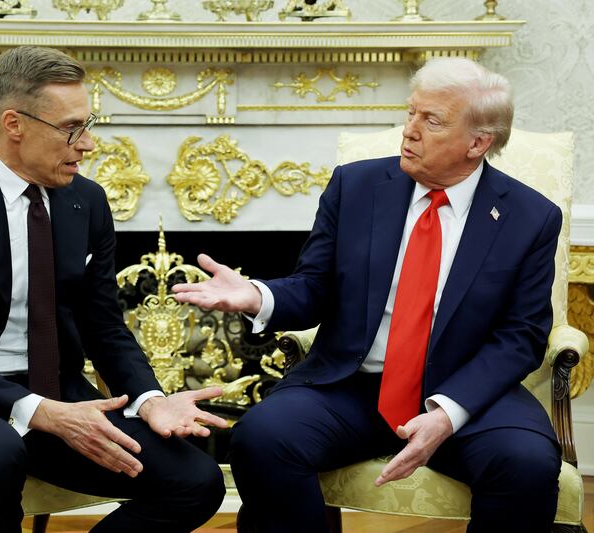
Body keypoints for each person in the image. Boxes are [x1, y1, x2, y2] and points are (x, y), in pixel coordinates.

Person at [173, 57, 562, 533]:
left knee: (527, 465)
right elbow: (315, 289)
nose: (409, 130)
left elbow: (521, 336)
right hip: (353, 384)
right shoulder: (355, 186)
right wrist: (257, 296)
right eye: (411, 112)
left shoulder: (529, 216)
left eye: (431, 120)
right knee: (262, 438)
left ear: (478, 143)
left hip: (468, 391)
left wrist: (446, 412)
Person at [0, 45, 228, 533]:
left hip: (57, 392)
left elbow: (104, 326)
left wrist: (149, 398)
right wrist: (40, 412)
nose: (87, 144)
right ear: (14, 124)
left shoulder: (87, 201)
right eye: (71, 129)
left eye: (88, 124)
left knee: (196, 481)